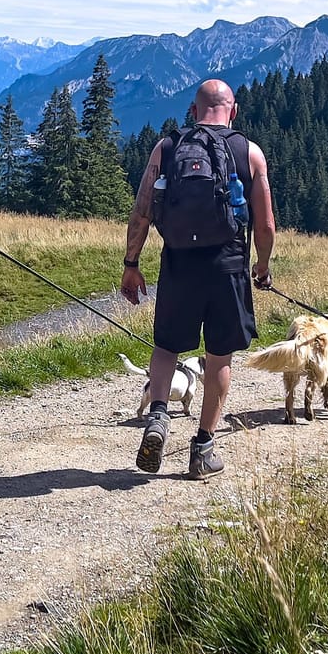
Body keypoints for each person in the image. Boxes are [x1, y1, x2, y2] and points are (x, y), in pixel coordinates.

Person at [120, 79, 275, 479]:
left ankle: (157, 417)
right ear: (233, 111)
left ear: (193, 111)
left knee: (166, 346)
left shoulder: (167, 148)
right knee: (219, 357)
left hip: (178, 263)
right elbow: (266, 224)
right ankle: (203, 447)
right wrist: (262, 266)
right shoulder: (249, 152)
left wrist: (131, 263)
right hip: (228, 265)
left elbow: (141, 211)